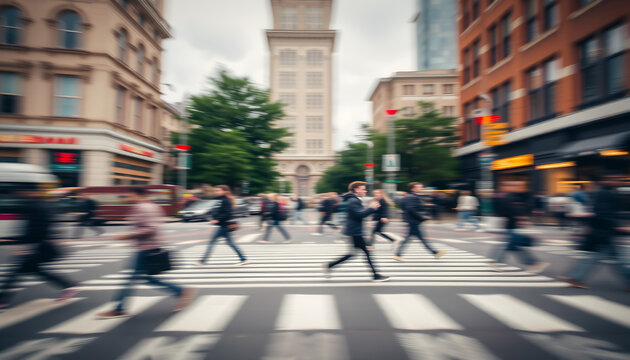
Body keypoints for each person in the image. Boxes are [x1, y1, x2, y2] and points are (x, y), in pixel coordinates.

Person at [96, 187, 196, 318]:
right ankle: (179, 291)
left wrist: (128, 235)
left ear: (137, 195)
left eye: (129, 195)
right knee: (144, 278)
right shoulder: (151, 206)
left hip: (145, 248)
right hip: (147, 247)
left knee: (132, 279)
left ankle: (119, 308)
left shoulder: (143, 207)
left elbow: (150, 228)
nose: (128, 198)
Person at [0, 186, 79, 309]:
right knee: (32, 269)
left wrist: (23, 244)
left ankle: (2, 300)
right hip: (43, 245)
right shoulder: (41, 204)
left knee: (19, 270)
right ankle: (68, 285)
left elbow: (37, 229)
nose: (19, 193)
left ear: (31, 192)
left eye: (22, 191)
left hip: (43, 246)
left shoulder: (35, 206)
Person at [559, 174, 630, 290]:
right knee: (618, 259)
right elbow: (601, 213)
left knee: (603, 257)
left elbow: (595, 212)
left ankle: (575, 277)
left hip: (602, 231)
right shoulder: (605, 193)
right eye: (615, 179)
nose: (618, 181)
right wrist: (617, 227)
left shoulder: (600, 193)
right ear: (606, 180)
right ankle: (575, 277)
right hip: (605, 231)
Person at [324, 181, 389, 282]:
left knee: (353, 254)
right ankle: (376, 275)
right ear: (357, 190)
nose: (365, 191)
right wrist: (371, 208)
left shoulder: (354, 200)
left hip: (354, 231)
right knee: (366, 253)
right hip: (355, 232)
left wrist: (371, 209)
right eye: (363, 189)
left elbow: (359, 214)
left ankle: (330, 265)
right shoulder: (353, 201)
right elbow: (360, 214)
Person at [486, 181, 549, 273]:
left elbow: (514, 209)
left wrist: (522, 218)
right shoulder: (510, 196)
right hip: (510, 225)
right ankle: (534, 263)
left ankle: (495, 262)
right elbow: (508, 210)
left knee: (508, 245)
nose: (519, 188)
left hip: (512, 226)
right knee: (513, 247)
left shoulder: (512, 197)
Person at [197, 185, 247, 266]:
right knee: (230, 243)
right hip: (224, 225)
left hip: (225, 225)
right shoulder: (220, 199)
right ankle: (243, 259)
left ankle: (202, 261)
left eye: (218, 190)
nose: (216, 192)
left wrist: (217, 219)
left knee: (212, 242)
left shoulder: (226, 200)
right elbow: (216, 210)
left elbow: (227, 213)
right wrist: (212, 217)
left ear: (225, 191)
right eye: (216, 190)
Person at [395, 182, 446, 261]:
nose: (421, 188)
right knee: (418, 239)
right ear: (413, 189)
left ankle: (435, 253)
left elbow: (411, 208)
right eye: (419, 187)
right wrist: (422, 218)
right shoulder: (412, 197)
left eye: (421, 187)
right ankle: (435, 253)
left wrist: (425, 207)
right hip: (413, 221)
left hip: (413, 221)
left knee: (412, 239)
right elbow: (411, 209)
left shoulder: (412, 197)